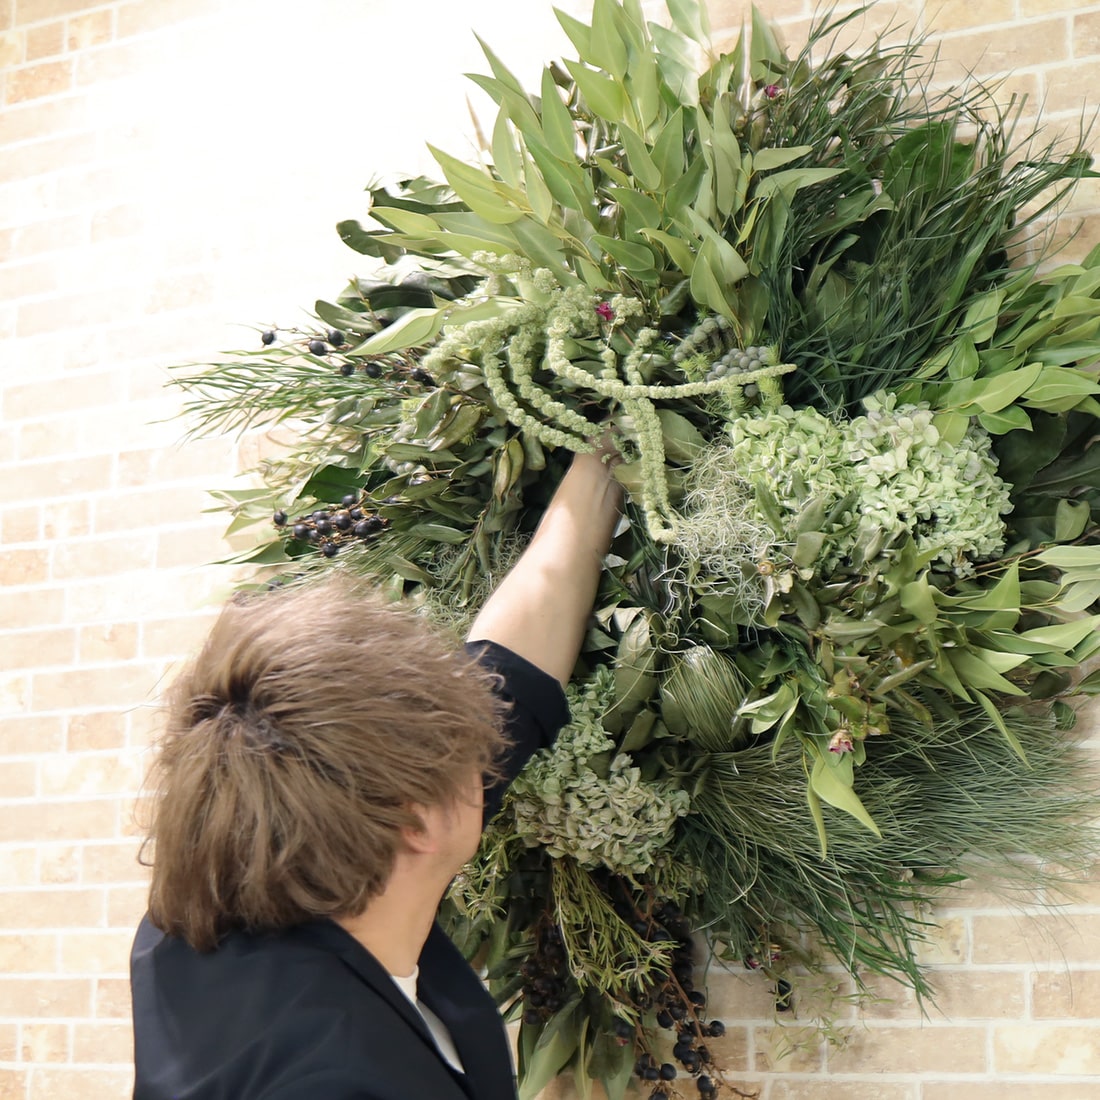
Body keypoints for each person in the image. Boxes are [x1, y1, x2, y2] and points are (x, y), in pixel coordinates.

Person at [130, 449, 622, 1100]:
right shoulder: (342, 1079)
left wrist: (608, 453)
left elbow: (508, 671)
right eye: (462, 750)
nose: (485, 754)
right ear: (418, 820)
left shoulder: (193, 934)